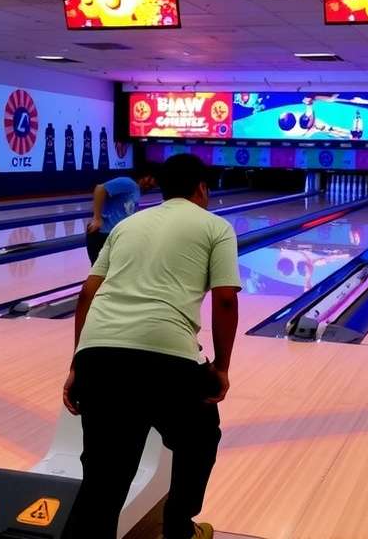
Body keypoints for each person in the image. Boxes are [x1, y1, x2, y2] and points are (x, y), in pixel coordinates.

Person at [64, 153, 241, 539]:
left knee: (103, 480)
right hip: (169, 360)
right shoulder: (216, 226)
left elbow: (87, 294)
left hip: (100, 356)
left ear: (160, 187)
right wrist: (221, 368)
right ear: (202, 188)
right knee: (200, 438)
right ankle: (178, 527)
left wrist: (78, 364)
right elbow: (225, 299)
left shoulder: (126, 225)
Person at [85, 171, 155, 264]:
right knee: (101, 273)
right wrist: (97, 218)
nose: (152, 184)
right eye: (151, 180)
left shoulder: (137, 191)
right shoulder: (128, 183)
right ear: (145, 176)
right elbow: (100, 188)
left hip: (115, 236)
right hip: (102, 234)